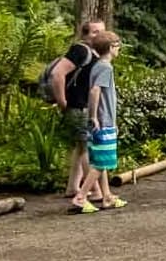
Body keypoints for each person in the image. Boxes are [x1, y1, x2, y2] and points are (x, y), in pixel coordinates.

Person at [54, 19, 106, 214]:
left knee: (80, 145)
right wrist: (62, 101)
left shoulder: (93, 53)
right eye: (94, 32)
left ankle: (72, 187)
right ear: (85, 35)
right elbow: (58, 74)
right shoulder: (80, 50)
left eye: (101, 31)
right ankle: (96, 191)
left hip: (82, 106)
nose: (98, 35)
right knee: (86, 147)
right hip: (77, 107)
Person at [84, 33, 126, 210]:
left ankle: (106, 196)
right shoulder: (105, 67)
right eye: (117, 45)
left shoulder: (98, 65)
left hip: (104, 120)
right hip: (103, 120)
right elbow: (95, 91)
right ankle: (80, 197)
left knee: (100, 160)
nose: (119, 48)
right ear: (110, 48)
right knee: (102, 162)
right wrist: (95, 116)